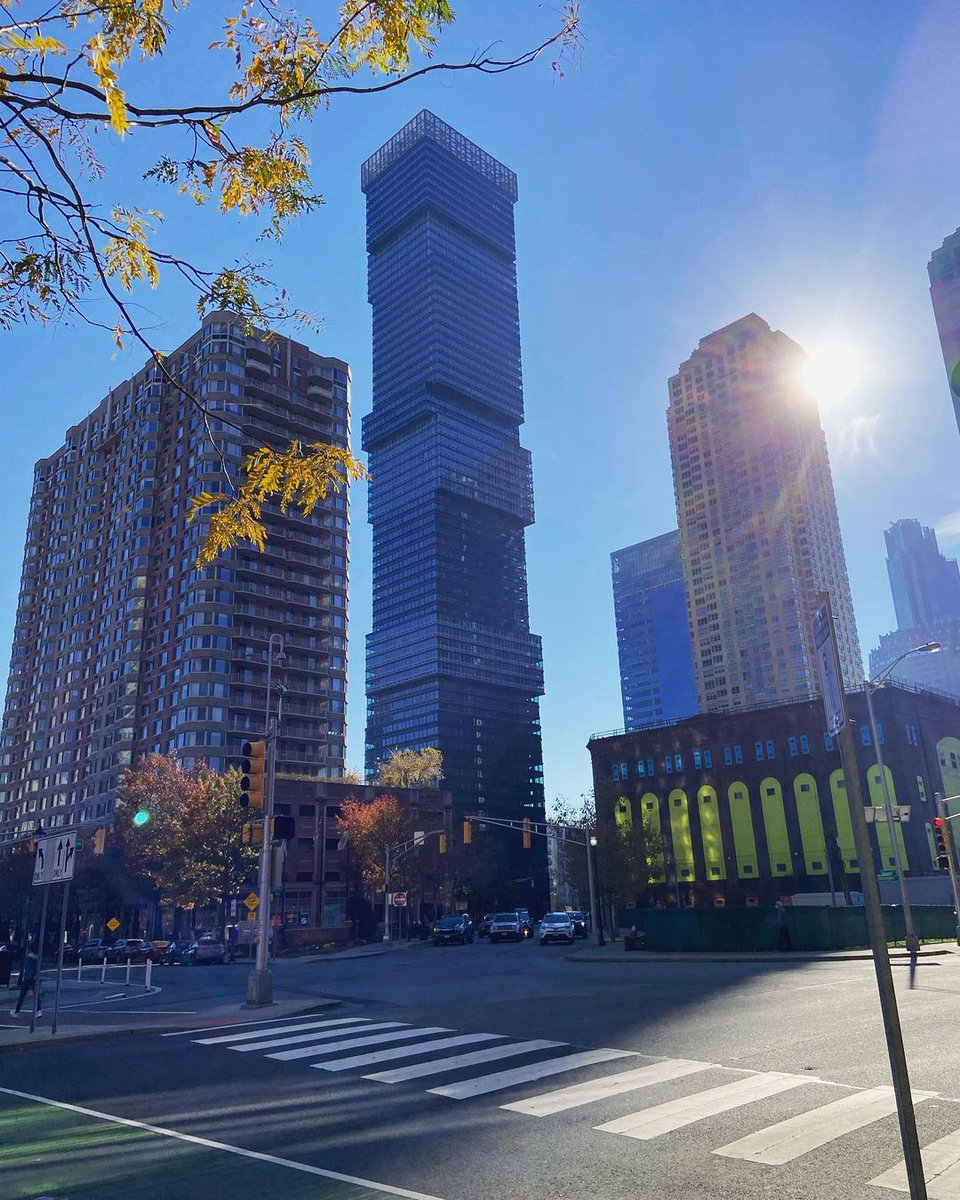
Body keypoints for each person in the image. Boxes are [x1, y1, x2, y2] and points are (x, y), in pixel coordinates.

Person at [11, 941, 41, 1017]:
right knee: (36, 994)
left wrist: (26, 976)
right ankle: (39, 1010)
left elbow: (27, 969)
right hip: (35, 977)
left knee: (22, 995)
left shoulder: (28, 958)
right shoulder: (37, 958)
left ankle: (16, 1011)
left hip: (28, 978)